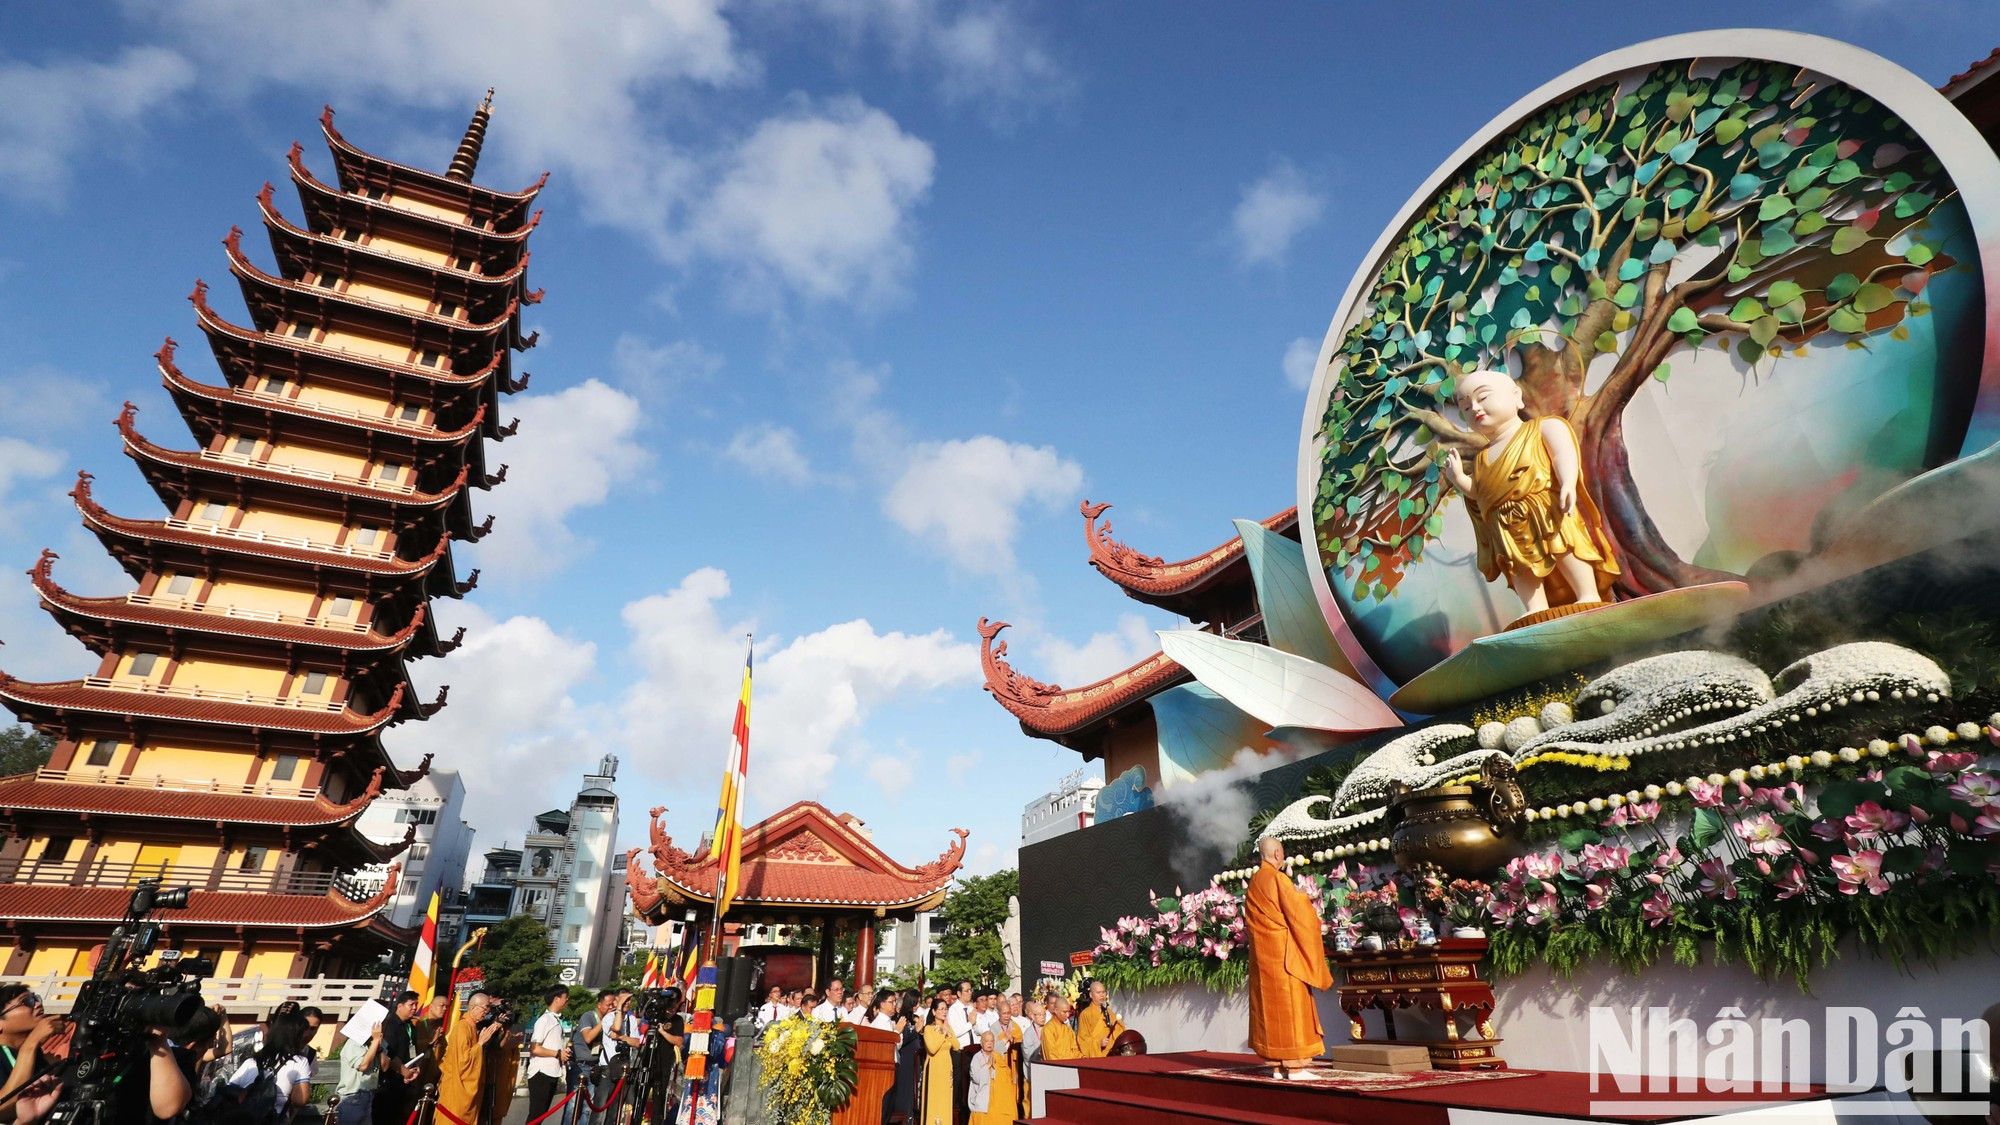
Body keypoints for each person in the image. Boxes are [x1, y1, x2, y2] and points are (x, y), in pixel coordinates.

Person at [1442, 369, 1619, 620]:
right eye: (1466, 407)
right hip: (1506, 524)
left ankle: (1587, 593)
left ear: (1516, 397)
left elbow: (1562, 454)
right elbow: (1481, 493)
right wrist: (1460, 479)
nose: (1475, 408)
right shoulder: (1481, 459)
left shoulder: (1544, 427)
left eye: (1483, 397)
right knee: (1518, 565)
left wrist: (1568, 483)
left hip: (1546, 508)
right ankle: (1536, 607)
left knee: (1564, 546)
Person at [1245, 835, 1333, 1079]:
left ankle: (1278, 1066)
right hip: (1286, 957)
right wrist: (1304, 898)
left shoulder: (1254, 882)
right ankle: (1295, 1066)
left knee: (1270, 1011)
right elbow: (1298, 915)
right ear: (1277, 854)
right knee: (1292, 1009)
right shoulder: (1277, 878)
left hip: (1264, 958)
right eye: (1282, 853)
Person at [225, 1009, 315, 1122]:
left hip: (242, 1118)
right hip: (273, 1118)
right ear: (297, 1036)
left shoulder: (252, 1060)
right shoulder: (300, 1062)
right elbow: (300, 1100)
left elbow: (230, 1089)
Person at [437, 992, 500, 1124]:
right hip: (456, 1090)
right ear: (473, 1008)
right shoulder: (462, 1028)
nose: (487, 1012)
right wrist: (480, 1043)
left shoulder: (472, 1027)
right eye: (485, 1008)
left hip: (466, 1089)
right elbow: (463, 1061)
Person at [371, 993, 422, 1125]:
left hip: (405, 1080)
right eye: (411, 1004)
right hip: (389, 1081)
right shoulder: (389, 1025)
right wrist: (403, 1071)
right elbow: (389, 1054)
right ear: (400, 1006)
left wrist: (414, 1068)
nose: (414, 1008)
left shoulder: (410, 1026)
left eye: (416, 1004)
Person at [525, 987, 570, 1122]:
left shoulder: (554, 1020)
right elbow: (535, 1048)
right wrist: (557, 1053)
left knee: (541, 1114)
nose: (567, 1000)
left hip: (551, 1072)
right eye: (565, 997)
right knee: (536, 1114)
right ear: (556, 999)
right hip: (541, 1073)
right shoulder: (545, 1020)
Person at [334, 1016, 383, 1125]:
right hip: (352, 1097)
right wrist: (375, 1041)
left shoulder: (374, 1043)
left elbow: (386, 1066)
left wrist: (378, 1047)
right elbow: (363, 1066)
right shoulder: (353, 1043)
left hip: (368, 1095)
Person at [918, 998, 955, 1125]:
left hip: (946, 1068)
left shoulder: (947, 1027)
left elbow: (956, 1045)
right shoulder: (929, 1029)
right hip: (934, 1069)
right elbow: (932, 1048)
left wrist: (948, 1032)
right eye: (941, 1009)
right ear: (934, 1011)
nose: (944, 1011)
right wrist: (943, 1034)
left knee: (945, 1099)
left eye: (946, 1009)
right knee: (934, 1101)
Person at [1075, 982, 1124, 1059]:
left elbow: (1120, 1032)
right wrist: (1098, 1043)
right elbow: (1083, 1040)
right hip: (1097, 1055)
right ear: (1091, 995)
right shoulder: (1085, 1014)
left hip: (1111, 1054)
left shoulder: (1109, 1012)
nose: (1102, 995)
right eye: (1098, 993)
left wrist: (1113, 1026)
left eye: (1103, 992)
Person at [1036, 996, 1081, 1062]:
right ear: (1056, 1011)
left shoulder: (1068, 1029)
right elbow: (1051, 1055)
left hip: (1071, 1065)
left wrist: (1083, 1059)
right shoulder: (1048, 1029)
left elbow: (1075, 1051)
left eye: (1068, 1012)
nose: (1068, 1015)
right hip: (1058, 1066)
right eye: (1064, 1012)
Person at [965, 1031, 997, 1124]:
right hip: (981, 1094)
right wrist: (987, 1066)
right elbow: (976, 1078)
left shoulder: (997, 1056)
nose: (989, 1043)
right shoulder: (977, 1058)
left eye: (991, 1041)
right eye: (987, 1041)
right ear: (981, 1042)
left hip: (996, 1095)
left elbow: (1004, 1075)